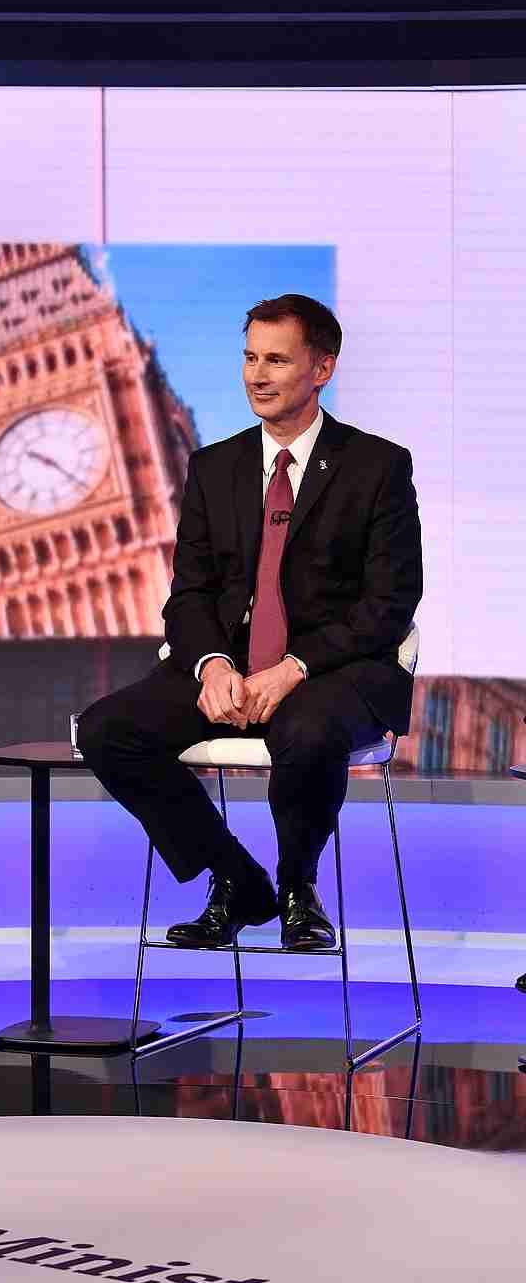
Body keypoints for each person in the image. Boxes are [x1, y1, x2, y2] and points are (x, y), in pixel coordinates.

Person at [78, 295, 422, 951]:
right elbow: (190, 595)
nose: (257, 376)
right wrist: (212, 666)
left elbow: (389, 603)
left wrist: (294, 668)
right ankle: (236, 877)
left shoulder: (377, 466)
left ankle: (298, 889)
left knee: (308, 729)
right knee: (106, 730)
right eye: (249, 358)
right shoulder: (214, 467)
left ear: (322, 369)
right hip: (232, 670)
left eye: (276, 360)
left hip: (334, 672)